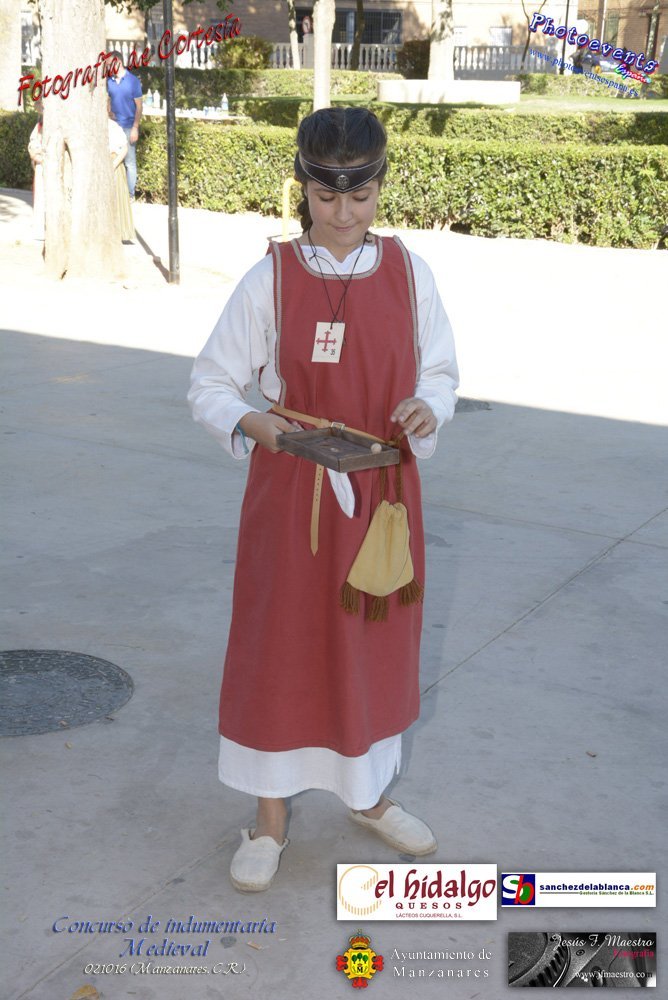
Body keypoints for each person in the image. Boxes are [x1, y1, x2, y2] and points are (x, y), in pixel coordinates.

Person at [188, 108, 459, 893]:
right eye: (326, 196)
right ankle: (269, 818)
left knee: (371, 649)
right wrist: (252, 422)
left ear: (381, 187)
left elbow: (440, 372)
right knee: (284, 647)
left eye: (360, 197)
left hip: (383, 497)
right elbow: (209, 382)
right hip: (292, 493)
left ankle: (367, 795)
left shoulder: (410, 273)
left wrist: (428, 407)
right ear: (302, 187)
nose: (343, 214)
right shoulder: (270, 277)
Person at [106, 51, 142, 199]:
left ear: (118, 62)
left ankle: (129, 195)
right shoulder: (109, 81)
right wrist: (109, 112)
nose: (108, 67)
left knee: (129, 162)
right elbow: (108, 99)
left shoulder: (133, 81)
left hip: (128, 126)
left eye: (110, 64)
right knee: (112, 159)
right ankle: (115, 193)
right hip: (114, 127)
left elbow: (139, 106)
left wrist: (135, 128)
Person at [108, 118, 135, 242]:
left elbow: (124, 148)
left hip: (114, 161)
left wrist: (114, 164)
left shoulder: (113, 126)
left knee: (118, 197)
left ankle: (120, 231)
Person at [27, 107, 44, 240]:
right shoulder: (38, 126)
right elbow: (32, 144)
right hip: (41, 165)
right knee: (40, 196)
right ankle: (40, 228)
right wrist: (36, 154)